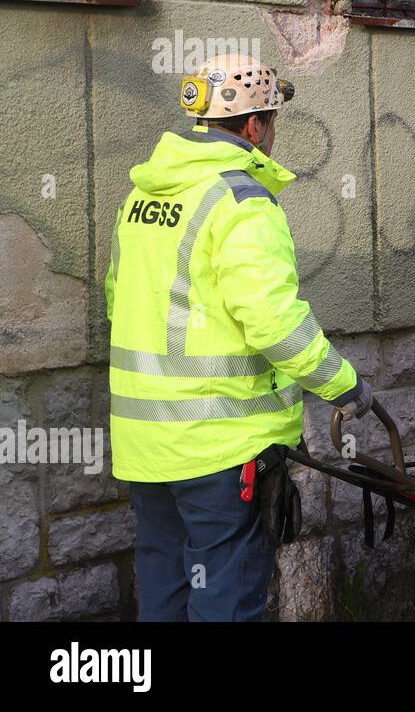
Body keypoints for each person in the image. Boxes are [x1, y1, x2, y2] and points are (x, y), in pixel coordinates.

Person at [106, 53, 373, 621]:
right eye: (272, 120)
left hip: (147, 446)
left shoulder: (142, 198)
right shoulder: (242, 201)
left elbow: (119, 299)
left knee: (165, 587)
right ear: (255, 127)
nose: (273, 133)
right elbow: (276, 322)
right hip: (219, 447)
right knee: (225, 596)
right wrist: (344, 386)